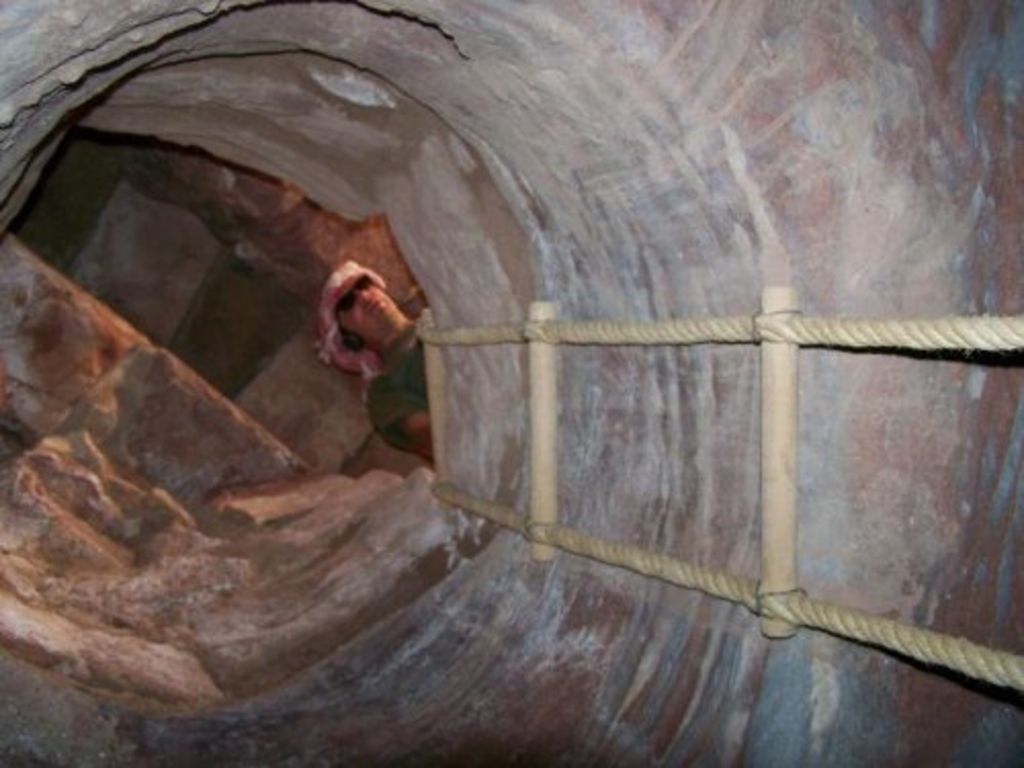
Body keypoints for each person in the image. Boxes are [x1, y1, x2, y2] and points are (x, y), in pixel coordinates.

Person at [316, 261, 432, 461]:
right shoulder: (384, 391)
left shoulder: (439, 311)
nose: (363, 295)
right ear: (350, 340)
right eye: (348, 302)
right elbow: (437, 437)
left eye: (364, 285)